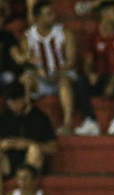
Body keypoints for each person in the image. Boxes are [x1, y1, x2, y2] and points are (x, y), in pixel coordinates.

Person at [73, 0, 114, 136]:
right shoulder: (93, 37)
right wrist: (90, 74)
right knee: (80, 82)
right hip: (100, 76)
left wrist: (112, 82)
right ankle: (91, 121)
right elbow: (87, 62)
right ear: (104, 14)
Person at [17, 0, 77, 134]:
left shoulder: (64, 33)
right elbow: (27, 61)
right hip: (40, 77)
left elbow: (71, 61)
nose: (53, 16)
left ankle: (67, 122)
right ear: (37, 18)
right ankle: (26, 121)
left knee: (64, 81)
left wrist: (56, 71)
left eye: (52, 13)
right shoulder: (28, 37)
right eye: (48, 14)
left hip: (60, 74)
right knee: (24, 80)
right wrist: (36, 69)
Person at [0, 80, 57, 195]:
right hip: (10, 161)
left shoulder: (39, 118)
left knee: (34, 149)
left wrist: (29, 144)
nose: (12, 105)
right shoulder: (5, 118)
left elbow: (53, 148)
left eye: (15, 102)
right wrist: (4, 144)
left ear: (24, 99)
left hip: (31, 161)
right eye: (9, 102)